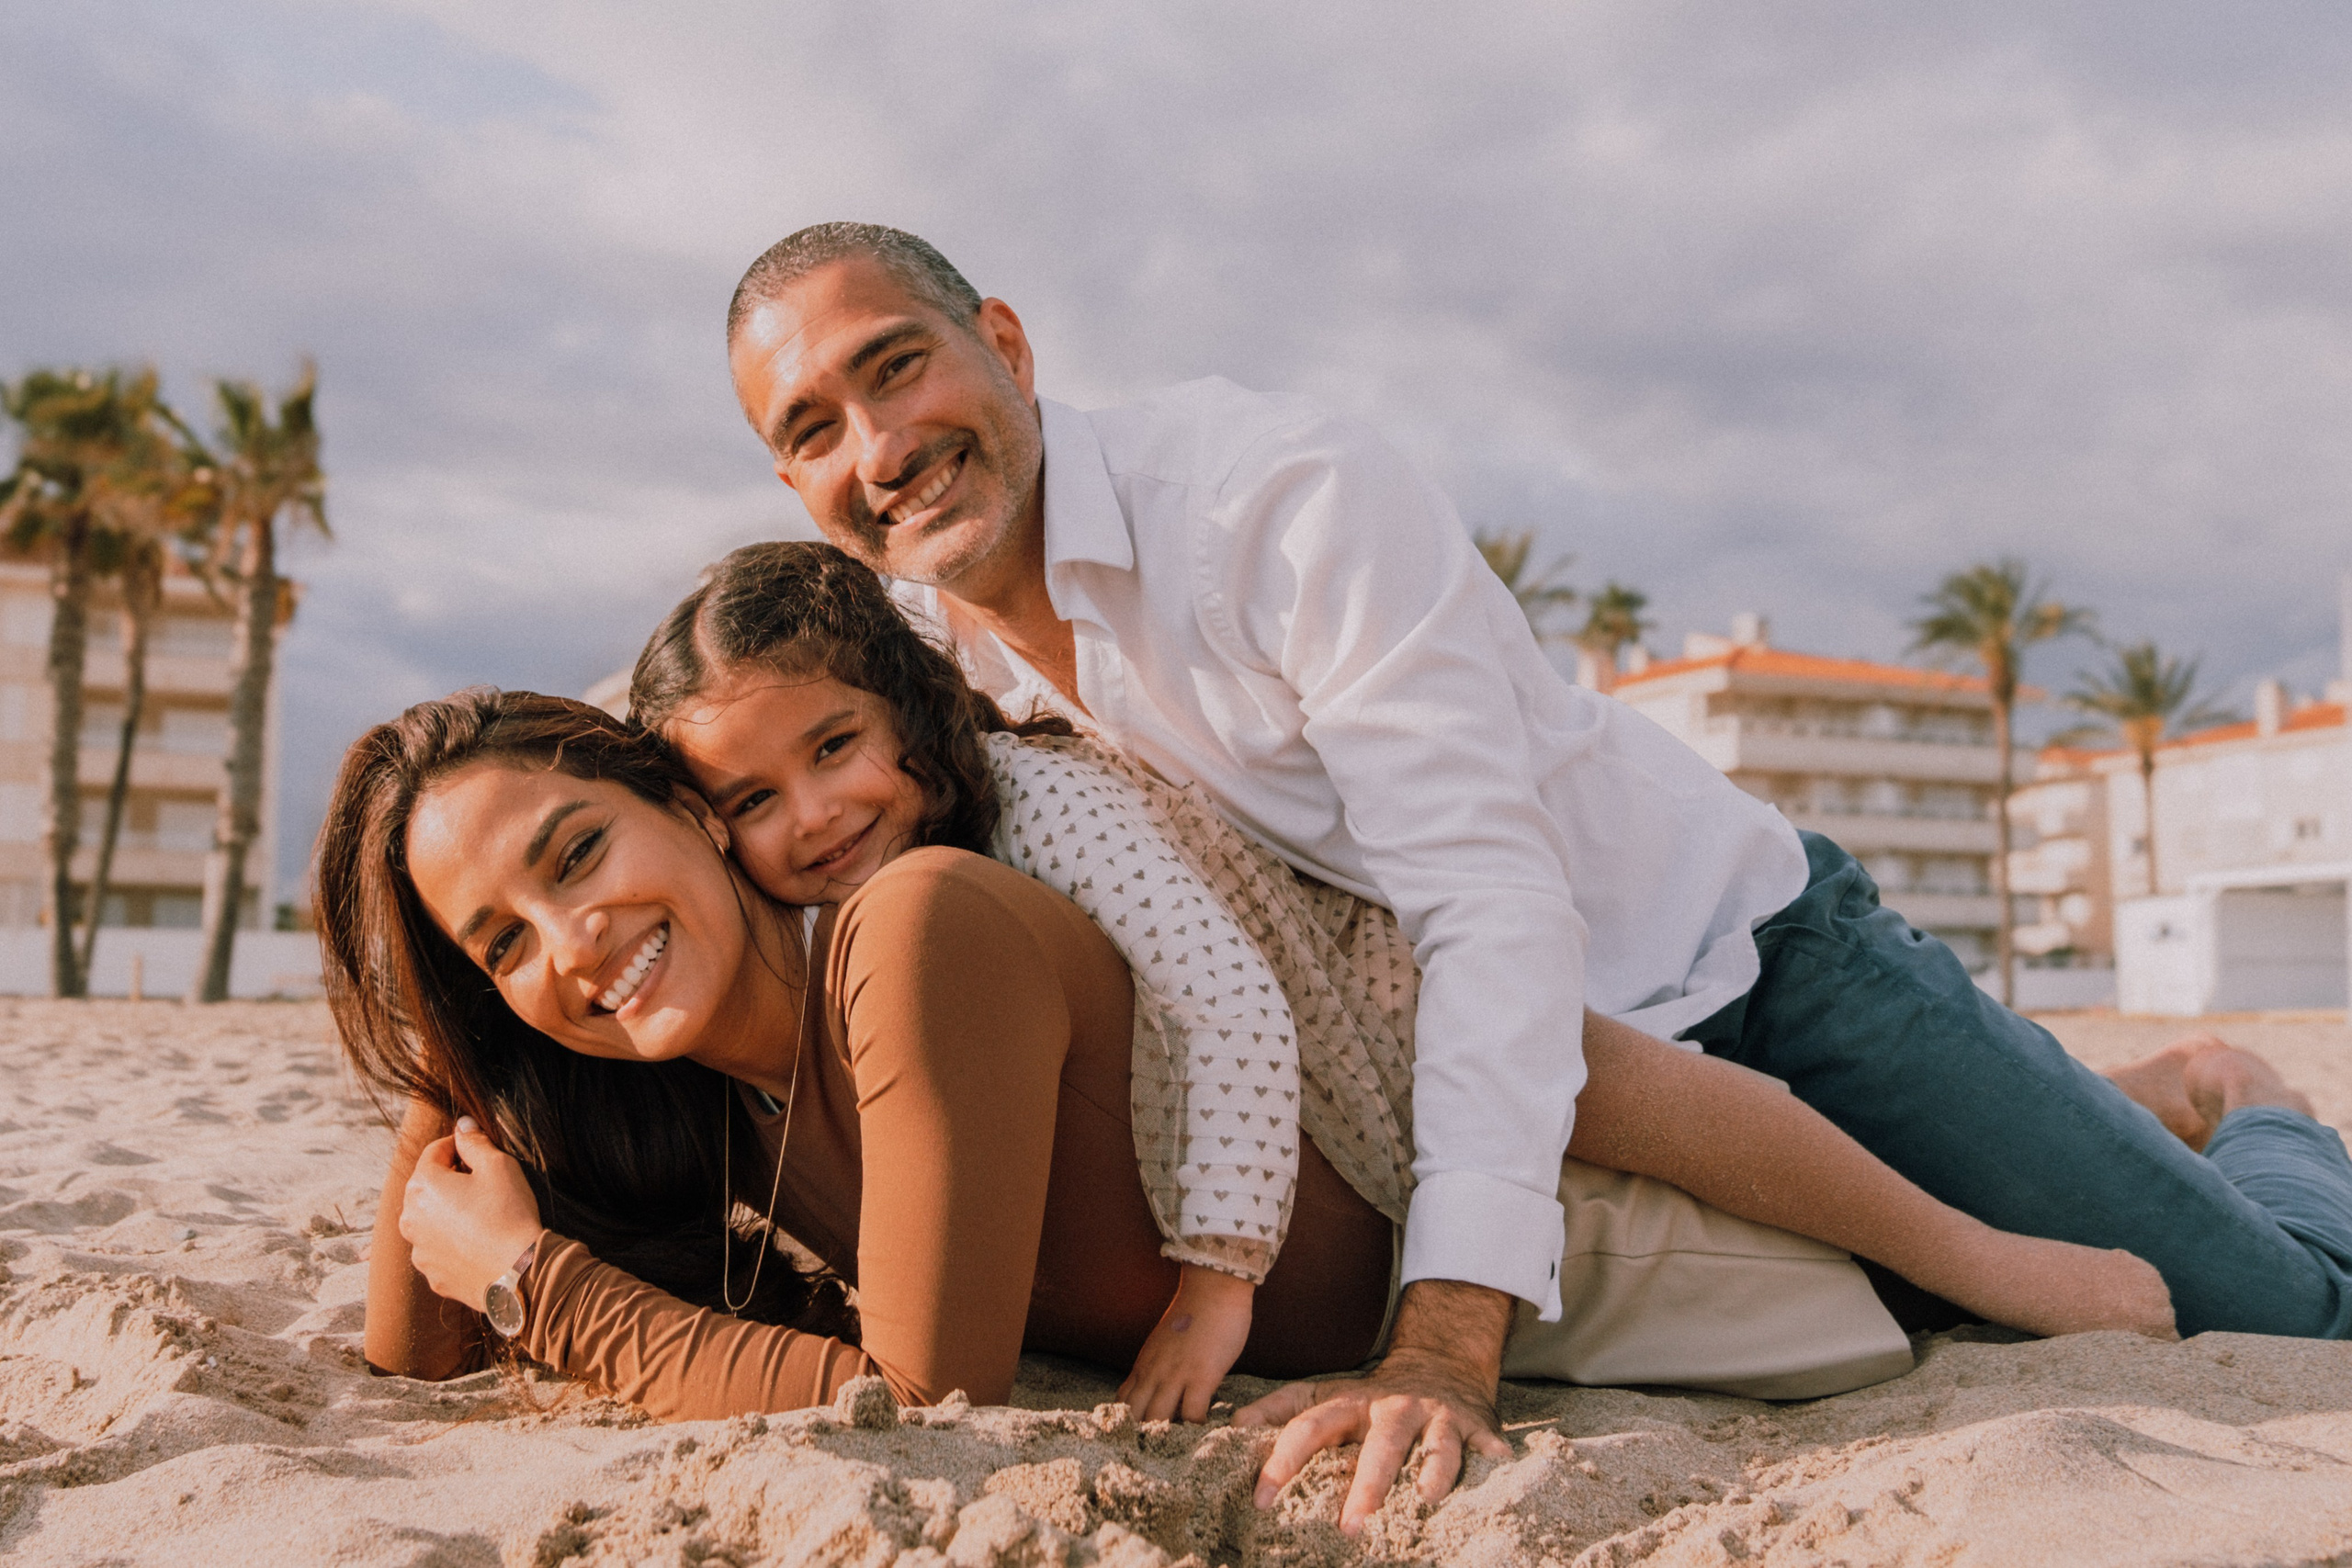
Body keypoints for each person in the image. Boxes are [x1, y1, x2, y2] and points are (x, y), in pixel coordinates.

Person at [721, 220, 2352, 1531]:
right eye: (812, 428)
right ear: (791, 484)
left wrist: (1447, 1342)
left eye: (898, 368)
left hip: (1750, 971)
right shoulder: (916, 669)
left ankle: (2236, 1098)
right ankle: (2116, 1100)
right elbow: (706, 752)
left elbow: (1486, 906)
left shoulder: (1271, 507)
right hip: (1571, 1109)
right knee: (1966, 1268)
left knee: (2274, 1316)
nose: (879, 445)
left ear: (1002, 343)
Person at [619, 538, 2171, 1418]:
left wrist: (1215, 1289)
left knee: (1613, 1094)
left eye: (830, 750)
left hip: (1335, 998)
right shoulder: (844, 908)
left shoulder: (1039, 807)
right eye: (752, 802)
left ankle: (1997, 1264)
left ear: (902, 711)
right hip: (1252, 1064)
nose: (809, 816)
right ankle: (2155, 1099)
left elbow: (1221, 998)